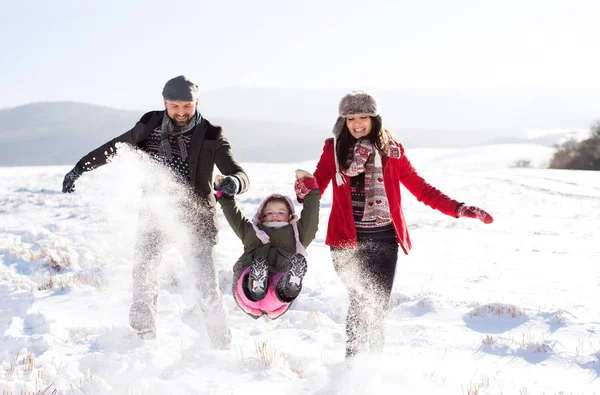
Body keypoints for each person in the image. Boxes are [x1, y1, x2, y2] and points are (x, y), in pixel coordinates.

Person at [61, 75, 249, 348]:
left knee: (207, 290)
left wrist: (235, 182)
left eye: (187, 106)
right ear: (165, 103)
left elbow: (238, 172)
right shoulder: (150, 125)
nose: (182, 112)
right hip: (155, 215)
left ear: (197, 102)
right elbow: (116, 147)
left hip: (195, 220)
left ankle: (222, 347)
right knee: (142, 281)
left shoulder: (211, 134)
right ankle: (143, 342)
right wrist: (81, 166)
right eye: (175, 107)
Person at [311, 91, 494, 358]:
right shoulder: (334, 149)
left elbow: (421, 189)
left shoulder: (392, 152)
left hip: (384, 240)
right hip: (345, 242)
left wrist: (459, 208)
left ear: (375, 118)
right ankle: (353, 365)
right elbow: (315, 187)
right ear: (344, 121)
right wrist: (303, 189)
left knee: (377, 306)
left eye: (364, 116)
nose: (357, 123)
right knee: (361, 300)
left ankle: (374, 365)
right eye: (351, 117)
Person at [214, 170, 319, 319]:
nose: (275, 215)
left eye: (281, 212)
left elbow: (311, 219)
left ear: (290, 217)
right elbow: (233, 215)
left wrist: (311, 191)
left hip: (276, 299)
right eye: (269, 213)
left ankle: (289, 286)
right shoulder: (252, 231)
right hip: (245, 291)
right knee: (249, 273)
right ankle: (256, 283)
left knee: (279, 282)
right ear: (261, 216)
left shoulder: (297, 235)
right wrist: (224, 194)